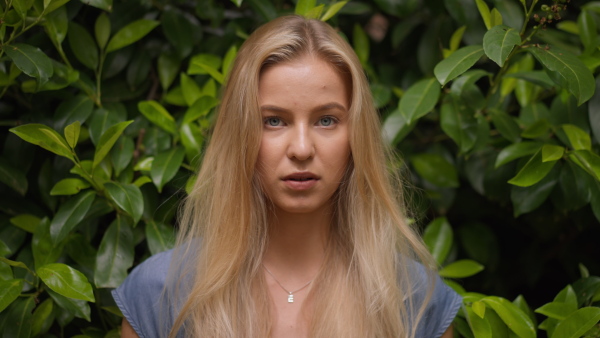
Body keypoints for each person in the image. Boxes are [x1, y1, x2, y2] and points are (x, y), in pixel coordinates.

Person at [112, 15, 461, 338]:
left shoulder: (415, 300)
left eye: (326, 120)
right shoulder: (158, 294)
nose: (302, 149)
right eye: (274, 121)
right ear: (240, 133)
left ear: (356, 135)